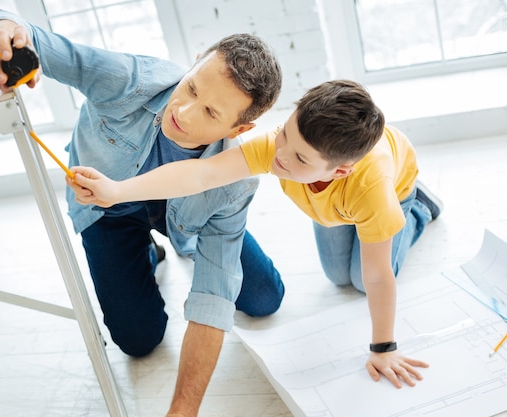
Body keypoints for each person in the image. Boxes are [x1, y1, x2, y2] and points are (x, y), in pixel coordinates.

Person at [0, 8, 285, 417]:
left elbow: (213, 296)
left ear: (238, 130)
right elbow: (30, 37)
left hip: (184, 216)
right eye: (191, 88)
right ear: (192, 64)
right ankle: (148, 253)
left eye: (211, 113)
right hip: (109, 210)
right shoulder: (129, 78)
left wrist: (183, 410)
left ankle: (185, 243)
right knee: (139, 341)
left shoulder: (236, 180)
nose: (184, 113)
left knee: (264, 298)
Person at [70, 79, 444, 389]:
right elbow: (201, 175)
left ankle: (419, 209)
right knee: (337, 274)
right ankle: (349, 211)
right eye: (285, 134)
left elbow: (379, 276)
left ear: (338, 172)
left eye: (299, 159)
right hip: (332, 208)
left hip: (388, 193)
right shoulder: (282, 148)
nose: (280, 157)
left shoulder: (373, 193)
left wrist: (383, 347)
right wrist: (117, 191)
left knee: (361, 282)